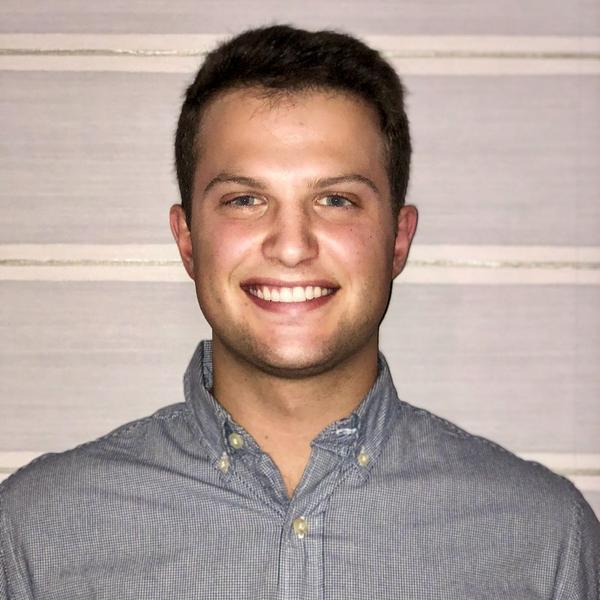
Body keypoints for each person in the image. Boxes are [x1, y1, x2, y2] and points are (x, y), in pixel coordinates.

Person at [1, 24, 598, 600]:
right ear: (187, 241)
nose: (291, 246)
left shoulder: (543, 539)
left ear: (398, 239)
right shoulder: (33, 536)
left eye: (336, 200)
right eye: (245, 200)